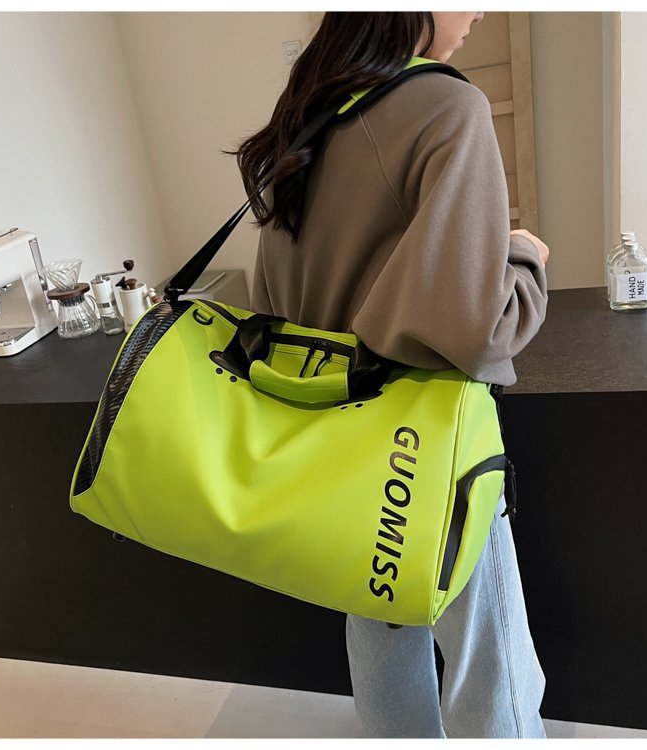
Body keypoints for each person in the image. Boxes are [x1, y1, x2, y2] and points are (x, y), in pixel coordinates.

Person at [233, 12, 549, 739]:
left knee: (381, 637)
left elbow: (273, 307)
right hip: (430, 449)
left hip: (335, 446)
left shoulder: (309, 114)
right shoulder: (448, 106)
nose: (478, 11)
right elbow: (478, 330)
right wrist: (525, 257)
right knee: (491, 664)